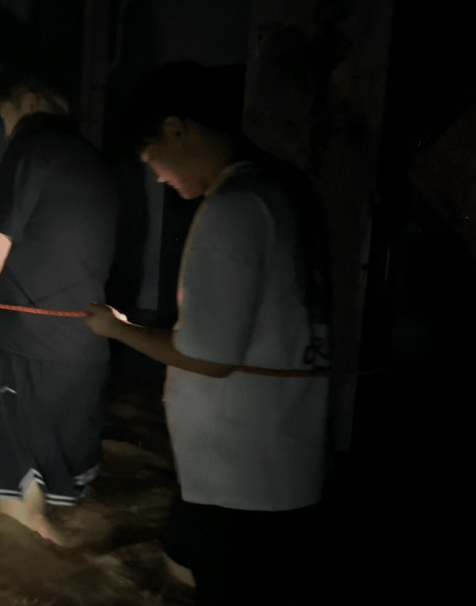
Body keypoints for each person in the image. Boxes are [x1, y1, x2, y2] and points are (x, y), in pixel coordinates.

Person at [83, 61, 332, 605]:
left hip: (241, 485)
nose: (157, 176)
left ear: (178, 130)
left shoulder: (234, 208)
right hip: (279, 466)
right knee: (181, 554)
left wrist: (116, 329)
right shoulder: (285, 192)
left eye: (152, 158)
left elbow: (211, 356)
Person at [0, 75, 119, 545]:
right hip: (88, 346)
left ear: (31, 101)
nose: (5, 130)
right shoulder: (92, 160)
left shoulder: (31, 148)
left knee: (15, 513)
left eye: (5, 117)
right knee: (68, 500)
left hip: (34, 351)